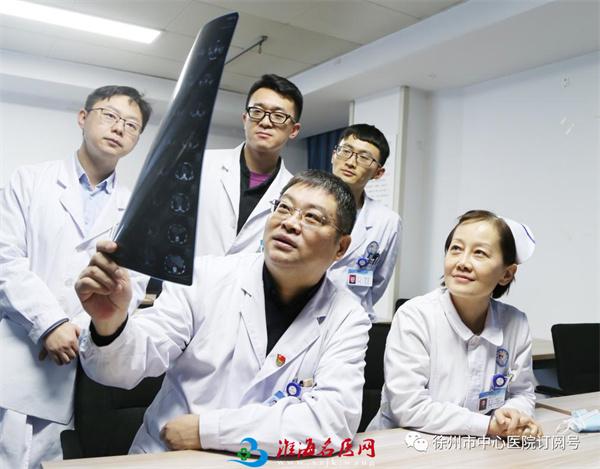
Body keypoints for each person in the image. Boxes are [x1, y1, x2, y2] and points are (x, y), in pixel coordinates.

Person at [75, 170, 371, 455]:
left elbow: (334, 421)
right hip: (169, 456)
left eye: (312, 217)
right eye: (284, 208)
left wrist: (207, 430)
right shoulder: (205, 277)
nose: (290, 223)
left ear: (341, 247)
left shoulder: (347, 317)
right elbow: (125, 368)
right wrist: (110, 323)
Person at [0, 85, 152, 468]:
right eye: (110, 115)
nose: (119, 128)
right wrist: (50, 323)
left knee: (54, 459)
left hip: (79, 368)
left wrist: (78, 331)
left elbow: (132, 290)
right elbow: (6, 260)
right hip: (15, 358)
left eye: (131, 124)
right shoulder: (29, 180)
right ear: (83, 118)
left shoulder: (135, 209)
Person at [368, 210, 543, 438]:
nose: (462, 262)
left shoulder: (516, 324)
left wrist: (512, 416)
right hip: (401, 444)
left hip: (477, 447)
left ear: (507, 274)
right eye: (456, 249)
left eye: (479, 253)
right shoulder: (415, 316)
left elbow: (523, 393)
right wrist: (488, 426)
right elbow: (409, 407)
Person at [196, 74, 302, 256]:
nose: (265, 122)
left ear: (293, 130)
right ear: (245, 119)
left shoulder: (295, 192)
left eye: (278, 116)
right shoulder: (201, 164)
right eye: (257, 112)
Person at [328, 124, 401, 318]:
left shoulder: (387, 221)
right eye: (346, 151)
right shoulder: (303, 202)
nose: (351, 162)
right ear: (334, 155)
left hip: (350, 319)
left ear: (378, 173)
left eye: (364, 158)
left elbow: (378, 283)